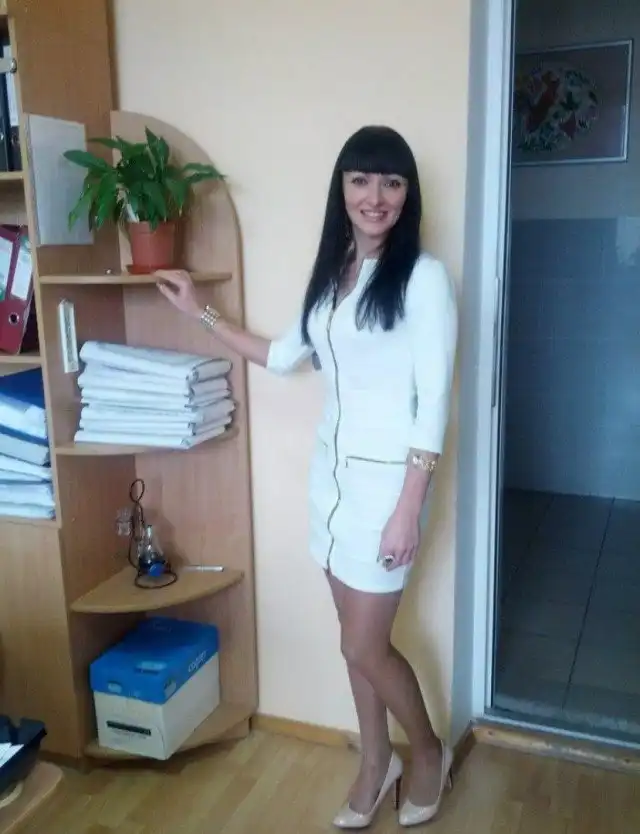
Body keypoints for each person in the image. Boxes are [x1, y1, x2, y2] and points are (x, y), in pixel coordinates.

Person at [156, 125, 458, 829]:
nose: (375, 196)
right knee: (353, 641)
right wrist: (199, 310)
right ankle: (374, 761)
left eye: (391, 182)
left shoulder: (424, 278)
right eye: (361, 180)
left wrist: (408, 507)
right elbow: (284, 355)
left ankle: (427, 750)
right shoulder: (335, 270)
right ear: (342, 189)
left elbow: (435, 400)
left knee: (363, 644)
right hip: (332, 485)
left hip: (389, 490)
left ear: (408, 195)